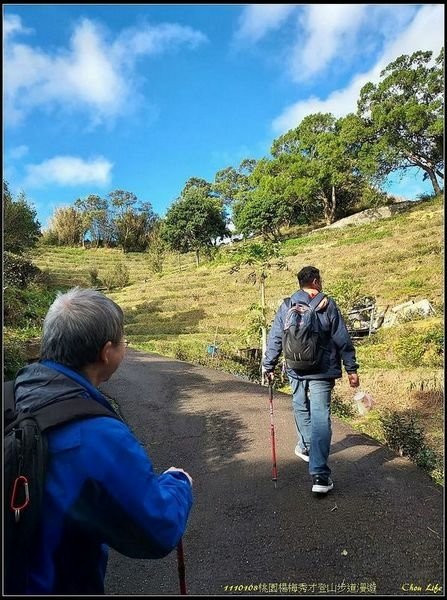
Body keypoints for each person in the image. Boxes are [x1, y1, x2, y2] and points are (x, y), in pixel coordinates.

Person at [10, 287, 193, 594]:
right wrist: (179, 483)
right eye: (123, 340)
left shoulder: (10, 395)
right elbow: (158, 529)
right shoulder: (95, 435)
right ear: (107, 352)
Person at [263, 266, 359, 494]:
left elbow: (276, 336)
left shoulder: (287, 305)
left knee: (299, 405)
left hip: (295, 369)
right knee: (320, 416)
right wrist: (351, 368)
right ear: (315, 281)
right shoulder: (328, 304)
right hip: (323, 370)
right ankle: (320, 476)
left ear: (300, 283)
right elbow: (342, 338)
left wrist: (269, 365)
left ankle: (306, 446)